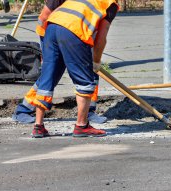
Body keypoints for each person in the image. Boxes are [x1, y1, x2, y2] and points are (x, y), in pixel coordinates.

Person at [27, 0, 118, 137]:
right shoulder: (111, 3)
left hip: (52, 26)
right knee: (85, 80)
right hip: (73, 30)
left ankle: (38, 126)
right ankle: (82, 125)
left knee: (48, 77)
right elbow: (101, 37)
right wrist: (96, 62)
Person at [12, 0, 108, 124]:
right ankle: (24, 109)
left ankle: (88, 111)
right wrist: (47, 47)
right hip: (52, 33)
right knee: (52, 74)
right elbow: (44, 17)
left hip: (79, 34)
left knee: (90, 72)